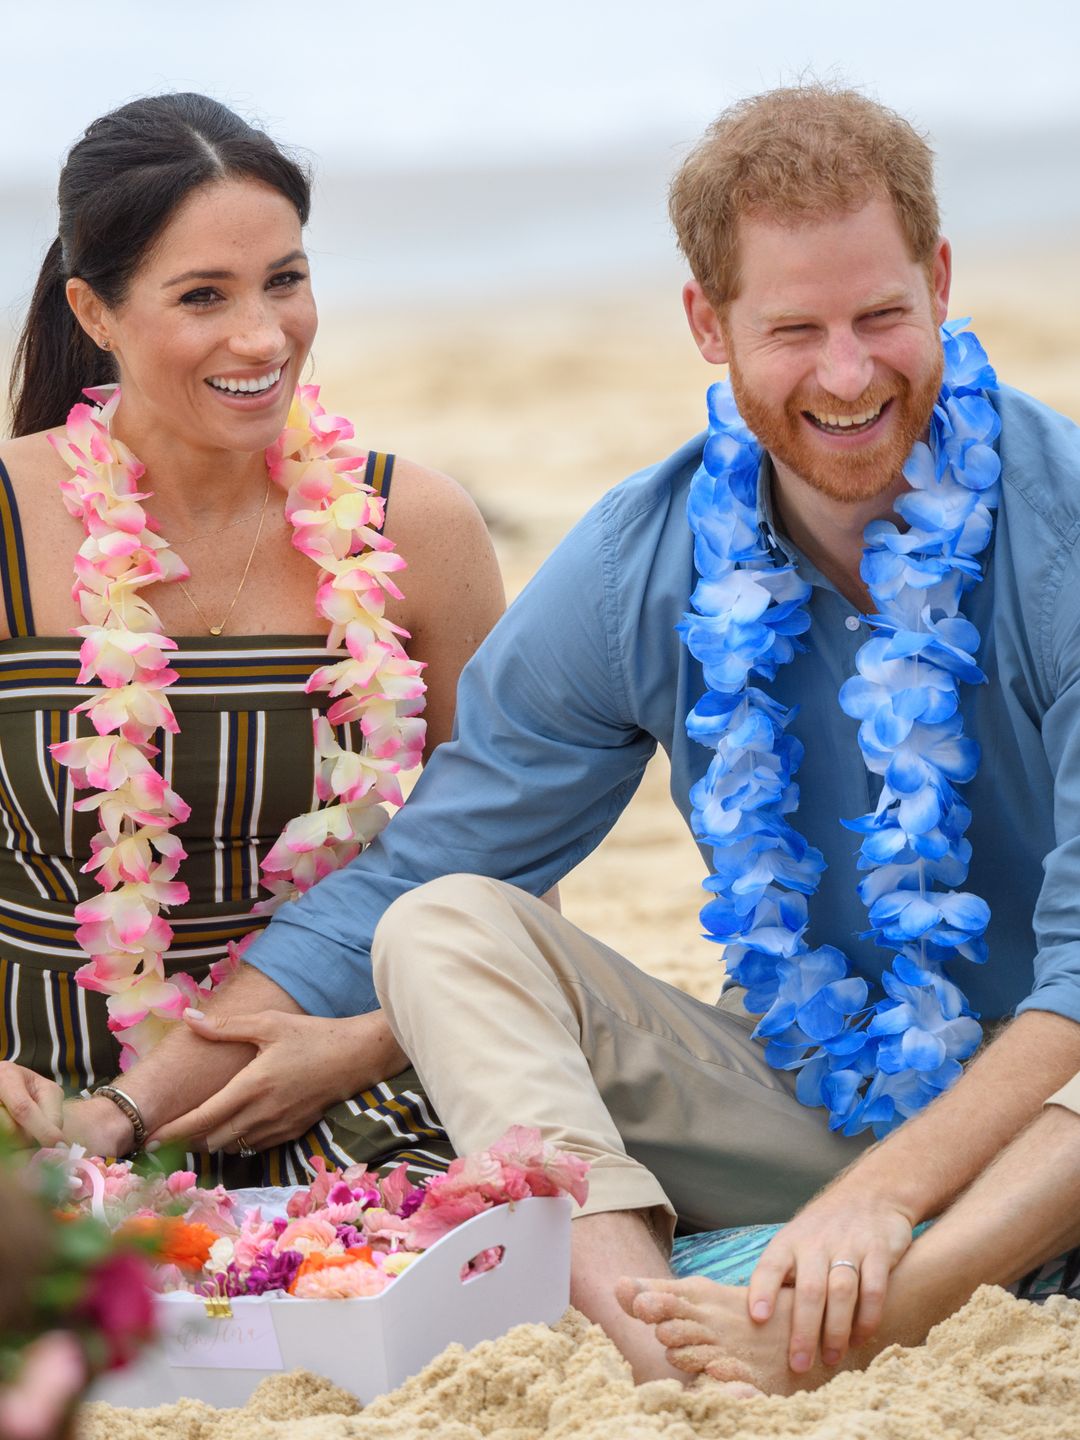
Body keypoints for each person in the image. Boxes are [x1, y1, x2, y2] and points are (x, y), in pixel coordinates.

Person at [16, 83, 1080, 1387]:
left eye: (880, 317)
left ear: (943, 280)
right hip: (825, 1111)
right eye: (794, 328)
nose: (847, 374)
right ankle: (659, 1338)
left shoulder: (1063, 525)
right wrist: (125, 1113)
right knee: (444, 922)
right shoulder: (654, 554)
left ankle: (908, 1299)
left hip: (1053, 1117)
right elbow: (420, 873)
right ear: (709, 323)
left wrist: (882, 1213)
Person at [0, 93, 504, 1186]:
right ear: (95, 312)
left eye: (286, 278)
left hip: (356, 1102)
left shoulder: (418, 527)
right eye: (202, 296)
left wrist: (362, 1046)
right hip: (44, 1115)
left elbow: (509, 869)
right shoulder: (6, 518)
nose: (264, 337)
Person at [618, 1073, 1080, 1392]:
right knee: (543, 958)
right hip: (870, 1092)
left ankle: (884, 1317)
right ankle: (650, 1350)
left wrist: (879, 1192)